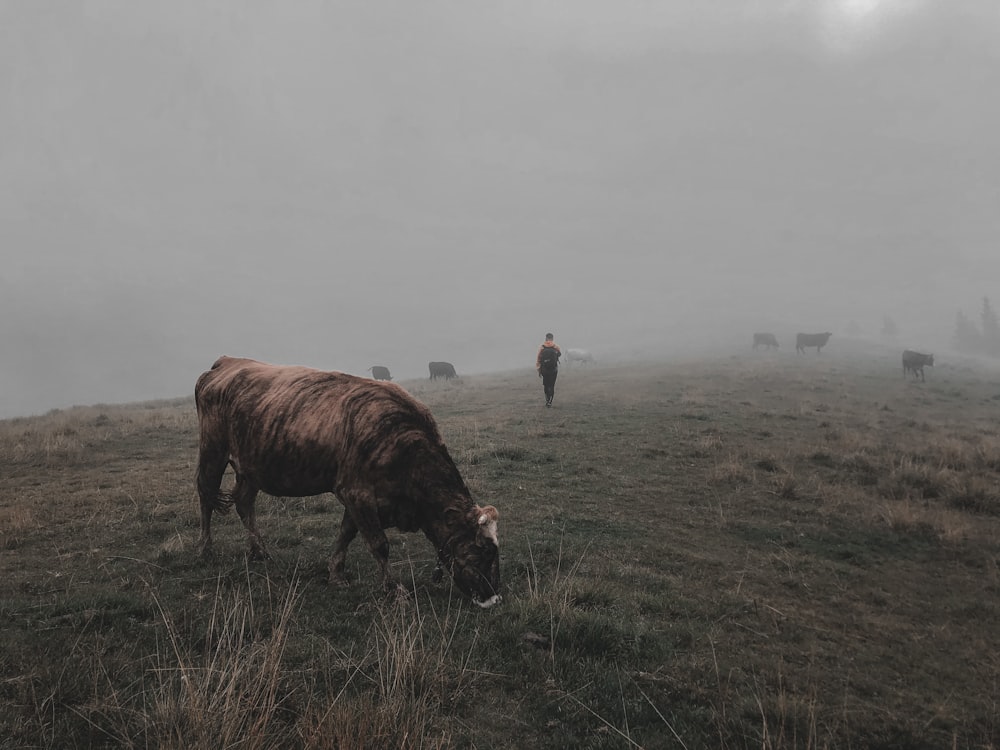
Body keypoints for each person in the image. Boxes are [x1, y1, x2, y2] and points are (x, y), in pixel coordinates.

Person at [535, 332, 562, 407]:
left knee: (546, 385)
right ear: (552, 338)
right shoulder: (556, 346)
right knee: (552, 385)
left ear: (546, 338)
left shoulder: (542, 347)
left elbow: (538, 358)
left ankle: (547, 400)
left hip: (545, 369)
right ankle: (550, 401)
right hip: (554, 369)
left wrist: (539, 369)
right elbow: (560, 354)